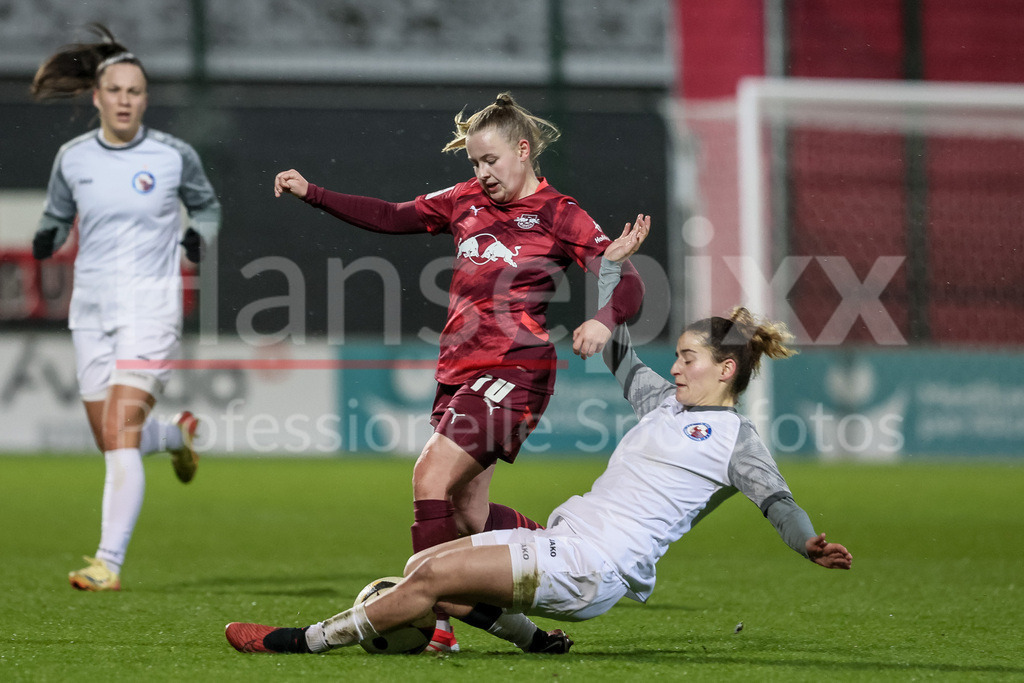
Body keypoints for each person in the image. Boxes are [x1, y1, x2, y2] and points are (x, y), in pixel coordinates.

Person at [224, 218, 853, 656]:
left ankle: (301, 641)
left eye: (690, 358)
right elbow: (620, 348)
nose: (678, 366)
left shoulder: (736, 441)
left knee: (425, 582)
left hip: (590, 567)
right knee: (427, 562)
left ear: (725, 369)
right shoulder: (663, 401)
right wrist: (612, 270)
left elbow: (779, 502)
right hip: (567, 541)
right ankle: (534, 640)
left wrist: (808, 544)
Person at [273, 92, 644, 651]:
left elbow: (627, 278)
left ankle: (438, 621)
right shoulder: (464, 200)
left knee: (429, 477)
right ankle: (556, 569)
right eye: (474, 162)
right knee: (469, 511)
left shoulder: (560, 213)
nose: (482, 172)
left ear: (523, 150)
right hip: (460, 372)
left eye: (490, 160)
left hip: (516, 369)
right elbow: (393, 216)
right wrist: (315, 194)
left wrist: (602, 319)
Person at [30, 24, 222, 591]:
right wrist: (47, 235)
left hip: (151, 305)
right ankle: (176, 434)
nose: (124, 100)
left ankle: (106, 563)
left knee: (117, 429)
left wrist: (197, 238)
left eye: (135, 92)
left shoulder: (172, 155)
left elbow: (206, 207)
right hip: (89, 309)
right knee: (111, 436)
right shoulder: (73, 158)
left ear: (144, 99)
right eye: (115, 91)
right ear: (96, 96)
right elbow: (57, 214)